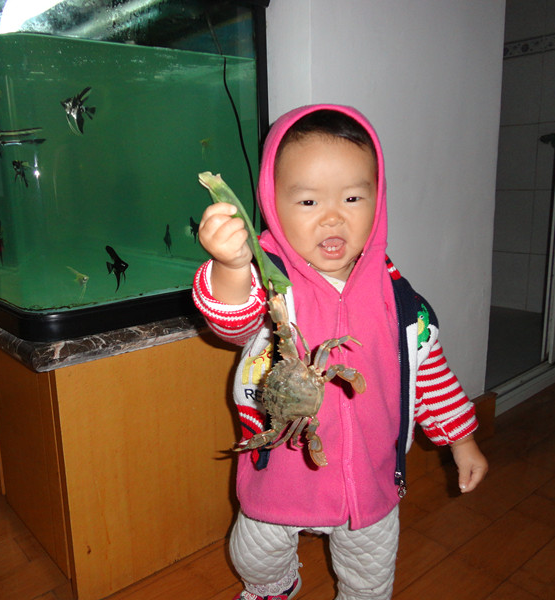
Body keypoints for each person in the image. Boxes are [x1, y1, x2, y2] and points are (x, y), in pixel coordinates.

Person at [193, 104, 488, 600]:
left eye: (353, 197)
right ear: (272, 203)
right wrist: (230, 267)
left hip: (369, 480)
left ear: (378, 199)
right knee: (253, 554)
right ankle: (274, 586)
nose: (333, 216)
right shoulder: (268, 281)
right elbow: (232, 320)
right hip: (281, 471)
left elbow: (430, 372)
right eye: (308, 201)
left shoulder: (400, 299)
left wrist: (462, 439)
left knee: (369, 577)